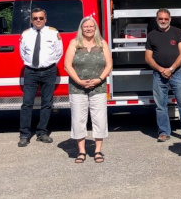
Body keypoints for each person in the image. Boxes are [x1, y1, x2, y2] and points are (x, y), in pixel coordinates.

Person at [64, 16, 112, 163]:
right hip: (77, 88)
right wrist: (79, 81)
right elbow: (67, 65)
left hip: (98, 87)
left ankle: (97, 151)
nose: (89, 29)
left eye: (91, 26)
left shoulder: (102, 43)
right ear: (81, 28)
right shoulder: (74, 43)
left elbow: (109, 65)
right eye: (86, 27)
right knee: (79, 119)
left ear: (95, 28)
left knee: (99, 118)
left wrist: (99, 79)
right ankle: (82, 151)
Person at [145, 8, 181, 143]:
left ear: (170, 19)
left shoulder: (177, 32)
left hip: (176, 73)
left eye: (166, 19)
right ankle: (163, 132)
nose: (163, 21)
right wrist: (161, 69)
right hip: (158, 74)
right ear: (156, 20)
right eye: (160, 19)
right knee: (160, 105)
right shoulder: (151, 35)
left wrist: (171, 69)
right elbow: (148, 58)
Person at [18, 8, 63, 147]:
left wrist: (48, 64)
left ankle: (42, 132)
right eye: (35, 18)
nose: (38, 20)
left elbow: (59, 52)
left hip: (49, 71)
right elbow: (23, 53)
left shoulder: (53, 33)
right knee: (27, 104)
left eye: (41, 18)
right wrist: (33, 65)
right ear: (31, 20)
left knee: (47, 103)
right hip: (31, 72)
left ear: (45, 19)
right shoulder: (26, 34)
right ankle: (24, 135)